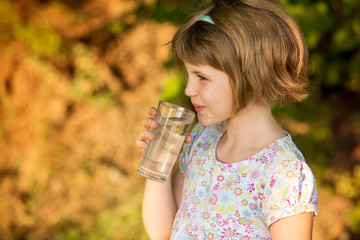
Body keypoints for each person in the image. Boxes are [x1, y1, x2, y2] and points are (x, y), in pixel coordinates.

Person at [136, 0, 318, 239]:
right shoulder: (202, 140)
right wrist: (159, 161)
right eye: (188, 75)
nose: (189, 89)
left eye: (202, 77)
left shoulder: (283, 173)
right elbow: (164, 231)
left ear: (251, 76)